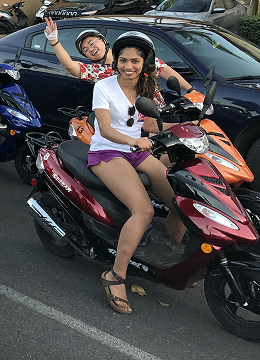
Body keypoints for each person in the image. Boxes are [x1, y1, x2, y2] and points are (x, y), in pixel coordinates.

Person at [87, 32, 186, 315]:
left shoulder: (146, 87)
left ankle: (167, 259)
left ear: (145, 63)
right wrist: (133, 140)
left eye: (135, 61)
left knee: (181, 202)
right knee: (143, 211)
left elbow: (150, 125)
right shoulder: (104, 87)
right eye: (123, 60)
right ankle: (115, 275)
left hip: (136, 150)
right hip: (107, 152)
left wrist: (185, 127)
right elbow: (105, 128)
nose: (128, 66)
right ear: (116, 61)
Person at [43, 17, 196, 107]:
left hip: (159, 113)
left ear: (103, 41)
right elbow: (70, 66)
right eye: (85, 50)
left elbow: (164, 69)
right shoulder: (96, 71)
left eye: (92, 42)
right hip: (131, 122)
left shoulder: (134, 56)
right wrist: (54, 40)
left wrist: (191, 91)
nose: (91, 49)